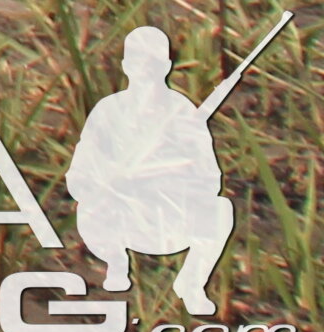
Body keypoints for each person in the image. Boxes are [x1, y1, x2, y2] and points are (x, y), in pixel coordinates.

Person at [69, 27, 238, 315]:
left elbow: (211, 179)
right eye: (138, 61)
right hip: (116, 217)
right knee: (93, 209)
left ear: (167, 66)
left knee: (221, 209)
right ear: (125, 65)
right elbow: (78, 176)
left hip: (167, 217)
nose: (145, 70)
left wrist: (174, 172)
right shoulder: (108, 111)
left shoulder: (183, 113)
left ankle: (192, 284)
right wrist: (111, 181)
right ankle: (116, 264)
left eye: (153, 62)